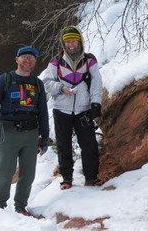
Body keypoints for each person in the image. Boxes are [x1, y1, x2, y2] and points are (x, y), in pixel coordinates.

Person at [0, 46, 49, 216]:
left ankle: (20, 206)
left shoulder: (37, 83)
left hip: (31, 132)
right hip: (8, 131)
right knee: (6, 172)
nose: (28, 60)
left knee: (28, 174)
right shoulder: (5, 79)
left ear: (35, 62)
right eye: (25, 57)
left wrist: (45, 137)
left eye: (32, 58)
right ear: (17, 59)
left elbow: (43, 111)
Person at [42, 26, 104, 190]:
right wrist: (60, 88)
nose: (71, 45)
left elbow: (96, 83)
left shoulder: (89, 60)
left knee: (89, 145)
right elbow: (47, 82)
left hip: (83, 110)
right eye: (67, 41)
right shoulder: (56, 61)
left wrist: (96, 103)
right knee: (64, 145)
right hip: (61, 109)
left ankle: (91, 177)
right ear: (63, 43)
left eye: (73, 41)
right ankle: (66, 178)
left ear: (80, 41)